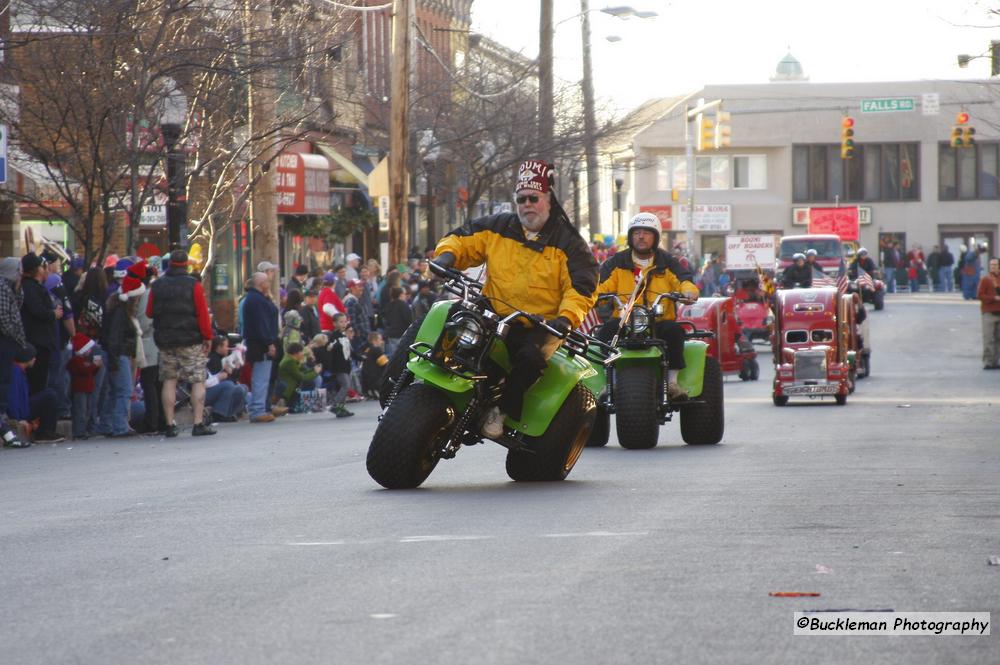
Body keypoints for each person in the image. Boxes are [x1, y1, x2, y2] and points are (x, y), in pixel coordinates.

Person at [433, 159, 598, 438]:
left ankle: (502, 410)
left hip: (542, 324)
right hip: (494, 311)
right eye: (521, 199)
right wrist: (447, 255)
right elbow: (463, 239)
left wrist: (566, 319)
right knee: (451, 316)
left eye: (533, 198)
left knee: (531, 357)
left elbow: (582, 287)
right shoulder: (498, 226)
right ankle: (415, 380)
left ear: (548, 199)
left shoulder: (570, 243)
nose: (527, 205)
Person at [595, 212, 698, 399]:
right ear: (630, 236)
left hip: (658, 321)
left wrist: (688, 291)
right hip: (624, 321)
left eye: (646, 233)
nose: (641, 236)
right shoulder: (616, 263)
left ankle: (673, 383)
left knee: (675, 332)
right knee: (605, 332)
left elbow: (684, 280)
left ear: (656, 236)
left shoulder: (667, 263)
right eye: (636, 233)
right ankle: (612, 382)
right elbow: (599, 286)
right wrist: (593, 296)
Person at [146, 249, 216, 437]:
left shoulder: (157, 285)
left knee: (169, 380)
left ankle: (169, 424)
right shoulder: (193, 285)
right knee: (197, 379)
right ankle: (198, 423)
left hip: (165, 340)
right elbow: (202, 314)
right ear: (186, 264)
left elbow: (149, 312)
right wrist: (207, 336)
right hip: (190, 340)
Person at [99, 262, 147, 437]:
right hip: (118, 353)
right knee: (125, 390)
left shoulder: (116, 306)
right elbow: (114, 337)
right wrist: (114, 359)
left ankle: (105, 424)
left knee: (114, 391)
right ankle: (119, 426)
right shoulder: (121, 311)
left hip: (114, 352)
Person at [19, 252, 63, 395]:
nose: (45, 270)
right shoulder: (29, 287)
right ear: (36, 269)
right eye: (42, 267)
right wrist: (53, 313)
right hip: (36, 342)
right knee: (36, 383)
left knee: (42, 381)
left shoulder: (36, 286)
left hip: (43, 343)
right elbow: (37, 309)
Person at [242, 272, 282, 423]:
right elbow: (261, 324)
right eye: (266, 282)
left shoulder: (255, 298)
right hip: (260, 345)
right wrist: (269, 343)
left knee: (262, 376)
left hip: (259, 342)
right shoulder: (256, 300)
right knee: (261, 377)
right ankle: (258, 409)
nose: (269, 284)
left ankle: (260, 407)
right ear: (261, 284)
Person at [7, 343, 64, 443]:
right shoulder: (15, 372)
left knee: (49, 393)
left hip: (23, 409)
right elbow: (13, 397)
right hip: (20, 413)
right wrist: (17, 419)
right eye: (33, 357)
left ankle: (45, 430)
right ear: (26, 358)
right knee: (49, 396)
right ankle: (44, 432)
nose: (35, 359)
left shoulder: (20, 371)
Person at [0, 257, 29, 448]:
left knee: (6, 380)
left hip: (10, 341)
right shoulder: (1, 287)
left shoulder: (10, 287)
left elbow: (18, 304)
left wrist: (19, 288)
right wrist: (14, 335)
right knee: (3, 381)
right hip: (4, 341)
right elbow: (3, 317)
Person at [205, 335, 249, 422]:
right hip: (206, 392)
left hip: (216, 388)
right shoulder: (213, 359)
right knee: (228, 385)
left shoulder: (223, 358)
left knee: (243, 388)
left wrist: (236, 368)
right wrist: (219, 377)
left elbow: (231, 377)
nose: (228, 348)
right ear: (218, 347)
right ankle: (218, 413)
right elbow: (207, 383)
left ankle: (230, 413)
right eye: (226, 346)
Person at [67, 332, 101, 439]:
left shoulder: (86, 361)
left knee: (87, 410)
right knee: (80, 411)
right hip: (79, 390)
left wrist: (96, 367)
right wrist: (94, 366)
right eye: (88, 348)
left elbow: (90, 372)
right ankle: (78, 432)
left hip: (88, 389)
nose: (90, 351)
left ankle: (84, 430)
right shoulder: (75, 361)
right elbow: (83, 371)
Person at [324, 313, 355, 418]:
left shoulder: (344, 335)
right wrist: (335, 344)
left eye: (345, 321)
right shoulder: (334, 335)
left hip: (346, 365)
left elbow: (350, 351)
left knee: (344, 386)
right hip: (339, 366)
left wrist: (360, 357)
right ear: (334, 323)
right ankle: (334, 405)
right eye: (341, 321)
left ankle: (341, 408)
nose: (343, 324)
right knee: (345, 385)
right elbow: (329, 347)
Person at [277, 342, 320, 411]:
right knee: (310, 382)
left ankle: (303, 405)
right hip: (288, 389)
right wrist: (315, 373)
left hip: (291, 387)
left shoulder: (290, 359)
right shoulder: (290, 362)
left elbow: (300, 373)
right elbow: (302, 377)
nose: (302, 354)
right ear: (296, 353)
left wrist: (313, 370)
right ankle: (306, 404)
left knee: (312, 381)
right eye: (301, 352)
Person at [976, 257, 1000, 370]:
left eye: (995, 265)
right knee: (988, 337)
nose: (993, 267)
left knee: (998, 338)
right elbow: (980, 295)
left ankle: (995, 361)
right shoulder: (986, 279)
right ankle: (988, 361)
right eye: (991, 265)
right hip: (989, 312)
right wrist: (993, 298)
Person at [380, 286, 412, 358]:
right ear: (401, 295)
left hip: (390, 335)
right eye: (404, 293)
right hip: (400, 336)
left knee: (391, 358)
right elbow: (409, 320)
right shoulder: (403, 305)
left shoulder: (388, 305)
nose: (405, 295)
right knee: (400, 358)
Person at [360, 331, 388, 399]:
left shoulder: (367, 349)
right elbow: (386, 364)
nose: (381, 342)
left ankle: (371, 391)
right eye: (380, 339)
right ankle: (378, 390)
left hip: (365, 378)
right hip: (375, 378)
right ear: (374, 340)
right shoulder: (377, 349)